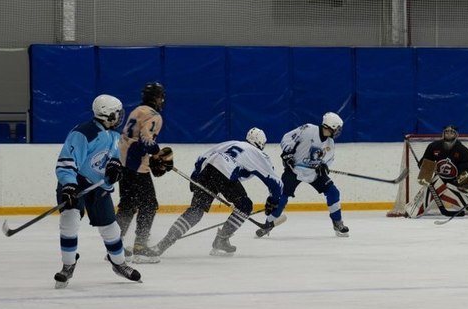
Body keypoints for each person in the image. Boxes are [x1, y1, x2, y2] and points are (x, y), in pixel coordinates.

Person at [53, 94, 141, 288]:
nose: (120, 117)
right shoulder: (84, 133)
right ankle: (68, 265)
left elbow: (113, 157)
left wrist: (114, 167)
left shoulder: (114, 135)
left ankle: (118, 264)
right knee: (69, 221)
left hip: (98, 188)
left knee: (111, 229)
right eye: (117, 113)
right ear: (108, 115)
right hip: (75, 185)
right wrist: (68, 185)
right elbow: (66, 163)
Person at [151, 127, 281, 256]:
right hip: (226, 171)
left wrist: (195, 176)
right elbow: (275, 182)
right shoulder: (259, 154)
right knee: (245, 206)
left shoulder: (232, 143)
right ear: (262, 144)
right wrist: (273, 201)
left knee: (196, 210)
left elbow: (202, 157)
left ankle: (162, 244)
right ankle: (221, 240)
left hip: (208, 170)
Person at [256, 112, 348, 237]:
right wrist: (287, 154)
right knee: (281, 199)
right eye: (337, 128)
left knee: (333, 192)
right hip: (294, 170)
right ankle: (267, 224)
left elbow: (328, 160)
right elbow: (287, 138)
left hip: (314, 173)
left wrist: (324, 166)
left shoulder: (330, 143)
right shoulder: (308, 129)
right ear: (330, 126)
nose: (338, 131)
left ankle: (337, 222)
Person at [115, 82, 171, 264]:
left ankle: (113, 247)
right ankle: (140, 247)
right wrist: (158, 154)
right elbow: (146, 141)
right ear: (156, 98)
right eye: (160, 96)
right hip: (136, 165)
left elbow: (132, 136)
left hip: (122, 163)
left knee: (128, 205)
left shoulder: (137, 110)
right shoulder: (154, 116)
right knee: (149, 204)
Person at [408, 125, 468, 218]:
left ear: (456, 135)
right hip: (437, 182)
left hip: (454, 183)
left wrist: (461, 185)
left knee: (466, 195)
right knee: (429, 188)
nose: (449, 134)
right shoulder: (433, 146)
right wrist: (426, 169)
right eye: (446, 132)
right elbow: (424, 169)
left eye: (452, 132)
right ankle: (413, 209)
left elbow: (466, 172)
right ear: (443, 134)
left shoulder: (463, 150)